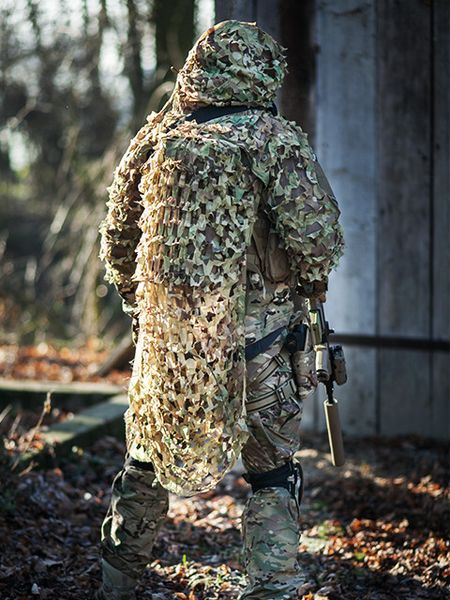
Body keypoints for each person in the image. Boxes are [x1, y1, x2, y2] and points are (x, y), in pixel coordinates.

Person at [97, 20, 344, 600]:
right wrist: (305, 288)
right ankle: (273, 587)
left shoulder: (156, 137)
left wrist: (148, 314)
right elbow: (318, 239)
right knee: (271, 476)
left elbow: (118, 242)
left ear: (198, 69)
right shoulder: (273, 139)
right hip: (257, 347)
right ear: (264, 73)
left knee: (146, 463)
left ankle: (113, 581)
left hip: (171, 349)